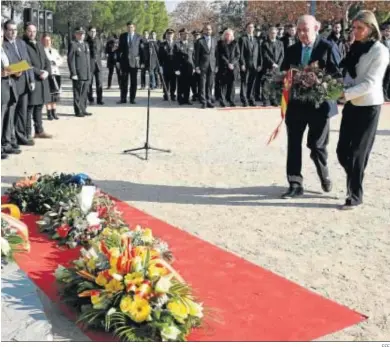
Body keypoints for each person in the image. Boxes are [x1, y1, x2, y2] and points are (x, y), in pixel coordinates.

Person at [281, 15, 341, 199]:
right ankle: (295, 183)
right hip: (296, 105)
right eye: (298, 30)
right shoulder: (292, 49)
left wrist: (319, 82)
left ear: (317, 28)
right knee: (293, 145)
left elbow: (338, 75)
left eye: (305, 29)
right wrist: (287, 79)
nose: (301, 33)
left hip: (319, 106)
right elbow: (284, 72)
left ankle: (324, 174)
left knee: (316, 146)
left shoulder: (328, 47)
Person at [337, 11, 389, 210]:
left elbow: (370, 83)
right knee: (342, 151)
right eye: (354, 27)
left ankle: (355, 194)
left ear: (371, 29)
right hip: (352, 105)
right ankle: (354, 180)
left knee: (358, 153)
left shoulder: (380, 51)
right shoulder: (356, 48)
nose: (355, 32)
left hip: (369, 106)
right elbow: (351, 75)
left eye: (360, 28)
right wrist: (337, 86)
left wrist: (344, 94)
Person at [2, 19, 35, 147]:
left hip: (24, 81)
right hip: (12, 82)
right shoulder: (3, 44)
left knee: (22, 112)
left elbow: (27, 61)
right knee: (11, 114)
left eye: (15, 30)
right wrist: (14, 71)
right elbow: (7, 65)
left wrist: (31, 79)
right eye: (10, 30)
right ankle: (10, 139)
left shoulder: (21, 43)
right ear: (5, 31)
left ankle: (20, 137)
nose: (13, 32)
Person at [23, 23, 52, 139]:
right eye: (30, 31)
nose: (32, 33)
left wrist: (47, 71)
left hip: (42, 79)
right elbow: (26, 64)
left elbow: (46, 60)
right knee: (30, 107)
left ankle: (39, 130)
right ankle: (27, 133)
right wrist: (39, 72)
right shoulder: (23, 44)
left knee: (39, 106)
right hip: (32, 79)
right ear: (25, 31)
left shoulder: (39, 44)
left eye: (34, 31)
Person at [1, 26, 20, 159]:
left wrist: (16, 70)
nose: (0, 39)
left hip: (9, 85)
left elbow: (9, 65)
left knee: (8, 117)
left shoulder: (4, 48)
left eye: (1, 37)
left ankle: (6, 144)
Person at [68, 26, 92, 117]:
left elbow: (87, 60)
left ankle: (83, 109)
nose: (81, 35)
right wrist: (73, 73)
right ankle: (78, 111)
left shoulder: (86, 44)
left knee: (85, 93)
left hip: (86, 73)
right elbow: (71, 60)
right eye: (79, 34)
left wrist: (89, 72)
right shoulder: (73, 44)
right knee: (77, 92)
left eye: (83, 34)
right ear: (76, 34)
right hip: (78, 73)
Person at [194, 24, 218, 109]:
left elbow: (216, 54)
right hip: (203, 66)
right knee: (202, 84)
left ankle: (209, 100)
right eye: (206, 29)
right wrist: (196, 66)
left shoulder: (215, 40)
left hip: (212, 65)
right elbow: (197, 55)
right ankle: (203, 101)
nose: (208, 31)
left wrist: (217, 65)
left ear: (211, 30)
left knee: (210, 84)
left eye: (209, 29)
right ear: (203, 31)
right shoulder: (199, 41)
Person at [118, 22, 142, 104]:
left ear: (134, 28)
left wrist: (142, 62)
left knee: (133, 82)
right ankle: (123, 98)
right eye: (128, 27)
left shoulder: (138, 37)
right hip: (124, 62)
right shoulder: (122, 36)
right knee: (124, 81)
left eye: (131, 27)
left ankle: (132, 98)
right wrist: (118, 60)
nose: (129, 29)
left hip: (134, 63)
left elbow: (141, 50)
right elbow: (120, 49)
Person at [239, 22, 262, 107]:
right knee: (244, 81)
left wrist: (260, 64)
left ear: (254, 29)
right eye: (249, 27)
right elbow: (240, 53)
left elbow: (259, 53)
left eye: (252, 27)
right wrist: (242, 64)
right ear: (246, 29)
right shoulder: (242, 39)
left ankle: (251, 97)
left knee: (252, 82)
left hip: (255, 64)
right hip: (246, 64)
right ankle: (244, 99)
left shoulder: (256, 39)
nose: (250, 29)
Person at [216, 28, 240, 107]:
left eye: (229, 34)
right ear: (224, 35)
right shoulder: (220, 43)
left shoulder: (235, 43)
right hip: (224, 67)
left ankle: (231, 100)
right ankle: (222, 100)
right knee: (223, 85)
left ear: (232, 35)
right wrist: (228, 63)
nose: (228, 36)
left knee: (232, 84)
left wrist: (232, 63)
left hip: (233, 67)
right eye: (226, 34)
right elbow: (220, 55)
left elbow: (237, 55)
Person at [262, 26, 284, 106]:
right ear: (269, 33)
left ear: (276, 33)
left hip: (278, 67)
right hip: (268, 67)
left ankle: (274, 99)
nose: (273, 34)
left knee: (275, 83)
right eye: (271, 33)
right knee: (266, 84)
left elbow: (282, 55)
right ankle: (266, 100)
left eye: (274, 33)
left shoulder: (280, 43)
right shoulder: (265, 43)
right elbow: (265, 55)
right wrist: (272, 64)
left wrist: (278, 64)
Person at [42, 33, 62, 120]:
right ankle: (49, 113)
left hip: (56, 73)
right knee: (49, 94)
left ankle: (54, 111)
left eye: (49, 40)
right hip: (48, 74)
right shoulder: (42, 51)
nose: (47, 42)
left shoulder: (55, 50)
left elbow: (60, 59)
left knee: (55, 94)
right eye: (45, 40)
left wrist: (55, 62)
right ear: (42, 41)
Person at [174, 28, 194, 105]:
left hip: (189, 67)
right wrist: (176, 69)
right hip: (181, 67)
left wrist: (194, 67)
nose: (186, 35)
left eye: (187, 34)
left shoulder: (191, 44)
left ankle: (187, 99)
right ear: (181, 35)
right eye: (185, 34)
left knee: (188, 84)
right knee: (180, 84)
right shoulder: (177, 44)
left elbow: (193, 56)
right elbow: (175, 58)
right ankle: (180, 99)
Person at [86, 26, 104, 105]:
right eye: (92, 31)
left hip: (98, 65)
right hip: (90, 64)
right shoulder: (86, 41)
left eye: (94, 31)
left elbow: (100, 51)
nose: (93, 33)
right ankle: (91, 99)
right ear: (89, 32)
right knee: (89, 83)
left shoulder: (99, 41)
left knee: (99, 82)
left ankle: (99, 99)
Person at [159, 28, 177, 101]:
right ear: (166, 35)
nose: (169, 35)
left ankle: (172, 94)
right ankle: (166, 94)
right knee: (165, 81)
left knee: (173, 81)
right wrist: (160, 66)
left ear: (173, 35)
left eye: (171, 34)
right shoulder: (162, 44)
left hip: (174, 66)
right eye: (168, 34)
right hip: (165, 65)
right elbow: (159, 56)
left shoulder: (176, 44)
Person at [191, 30, 201, 101]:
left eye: (197, 35)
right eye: (195, 35)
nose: (196, 37)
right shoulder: (191, 44)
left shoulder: (202, 43)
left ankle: (200, 95)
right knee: (193, 82)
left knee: (200, 82)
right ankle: (195, 94)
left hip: (200, 66)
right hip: (192, 66)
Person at [381, 23, 390, 101]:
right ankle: (382, 95)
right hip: (383, 63)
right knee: (382, 79)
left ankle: (385, 95)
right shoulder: (381, 41)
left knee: (387, 80)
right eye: (386, 30)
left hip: (389, 64)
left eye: (389, 31)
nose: (387, 32)